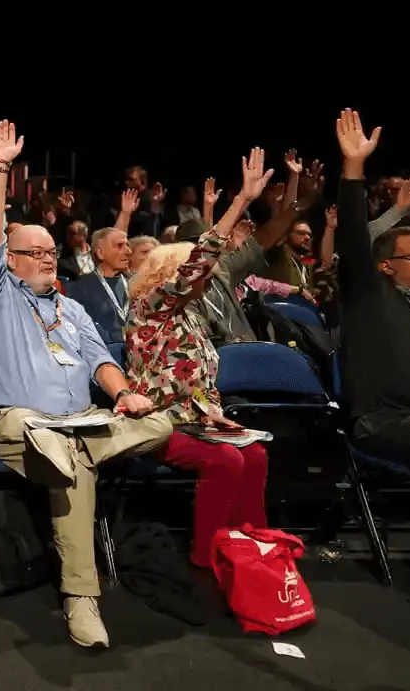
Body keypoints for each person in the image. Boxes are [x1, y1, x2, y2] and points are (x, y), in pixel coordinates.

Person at [0, 121, 173, 649]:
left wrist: (123, 392)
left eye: (50, 251)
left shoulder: (73, 308)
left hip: (76, 425)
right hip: (18, 424)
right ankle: (81, 599)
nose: (47, 258)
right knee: (62, 452)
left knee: (159, 418)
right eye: (34, 252)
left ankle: (74, 448)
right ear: (10, 263)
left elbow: (101, 361)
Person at [125, 147, 273, 568]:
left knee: (255, 452)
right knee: (225, 459)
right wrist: (239, 201)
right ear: (168, 275)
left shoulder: (190, 316)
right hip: (153, 426)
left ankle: (254, 545)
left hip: (194, 424)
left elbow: (198, 383)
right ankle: (208, 554)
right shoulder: (150, 309)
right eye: (197, 273)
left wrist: (213, 413)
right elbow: (201, 260)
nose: (206, 278)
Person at [332, 110, 410, 470]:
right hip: (382, 421)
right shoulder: (369, 293)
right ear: (386, 265)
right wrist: (353, 170)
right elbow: (352, 238)